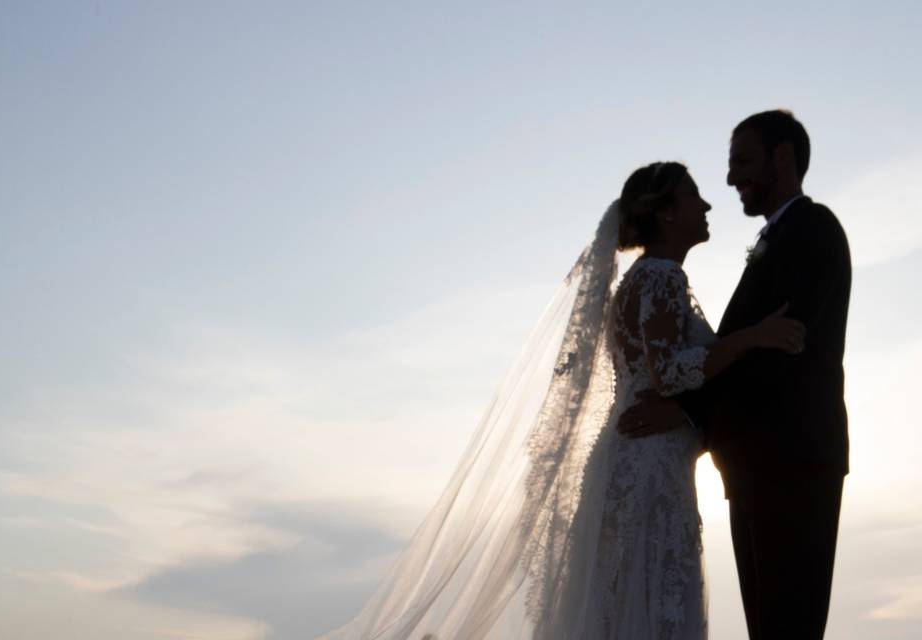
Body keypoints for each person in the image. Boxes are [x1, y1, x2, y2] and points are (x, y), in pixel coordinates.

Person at [318, 162, 804, 640]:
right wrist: (750, 338)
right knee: (653, 602)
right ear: (666, 214)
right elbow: (671, 372)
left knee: (625, 606)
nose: (707, 203)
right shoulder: (659, 278)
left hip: (640, 458)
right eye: (692, 194)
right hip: (649, 467)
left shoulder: (640, 281)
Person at [619, 111, 852, 640]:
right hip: (755, 465)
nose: (728, 181)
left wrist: (684, 411)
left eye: (742, 162)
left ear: (784, 158)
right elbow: (740, 350)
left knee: (788, 624)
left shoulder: (812, 232)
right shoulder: (769, 241)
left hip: (792, 460)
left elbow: (781, 352)